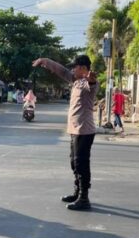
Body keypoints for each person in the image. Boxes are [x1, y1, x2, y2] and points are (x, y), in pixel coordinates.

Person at [33, 54, 97, 210]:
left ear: (82, 68)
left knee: (82, 164)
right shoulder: (75, 81)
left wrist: (92, 79)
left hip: (84, 130)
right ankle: (77, 192)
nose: (72, 69)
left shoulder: (88, 83)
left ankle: (84, 198)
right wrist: (45, 61)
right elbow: (61, 71)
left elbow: (93, 84)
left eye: (74, 66)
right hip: (75, 130)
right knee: (74, 162)